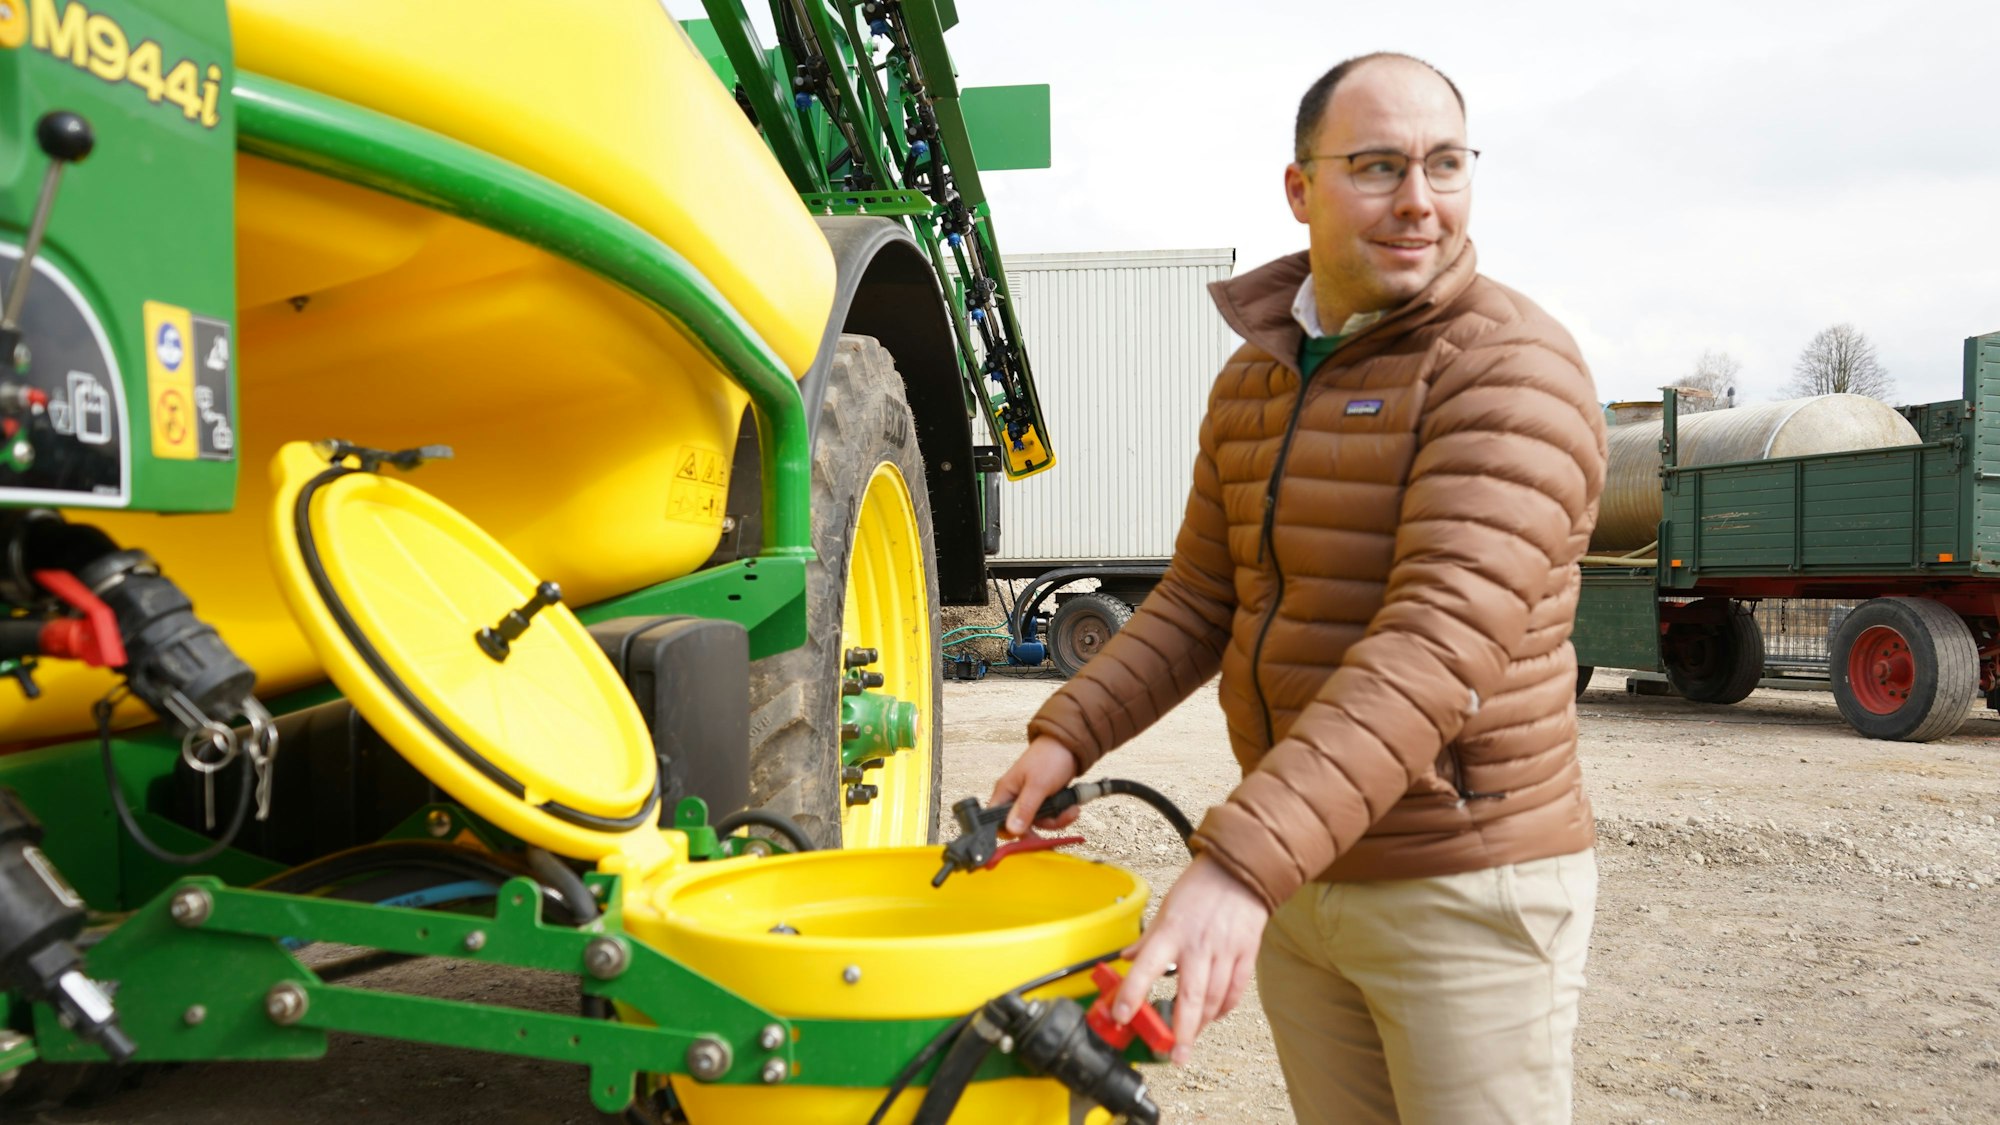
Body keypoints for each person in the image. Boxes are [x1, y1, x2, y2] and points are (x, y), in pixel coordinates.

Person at [988, 51, 1609, 1124]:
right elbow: (1195, 597)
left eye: (1445, 165)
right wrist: (1061, 740)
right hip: (1306, 878)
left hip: (1455, 886)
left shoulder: (1509, 369)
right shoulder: (1258, 377)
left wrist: (1235, 867)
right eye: (1376, 167)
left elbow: (1435, 645)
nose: (1419, 201)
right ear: (1299, 188)